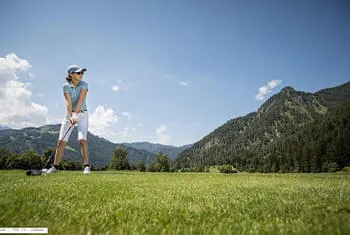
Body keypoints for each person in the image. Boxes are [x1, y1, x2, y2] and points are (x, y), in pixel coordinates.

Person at [47, 65, 90, 174]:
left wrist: (76, 115)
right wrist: (71, 117)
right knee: (61, 140)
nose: (81, 75)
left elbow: (81, 100)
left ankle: (86, 166)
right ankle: (55, 167)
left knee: (82, 139)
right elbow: (68, 102)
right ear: (71, 74)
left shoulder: (84, 84)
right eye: (78, 73)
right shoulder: (66, 86)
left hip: (83, 115)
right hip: (69, 114)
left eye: (82, 73)